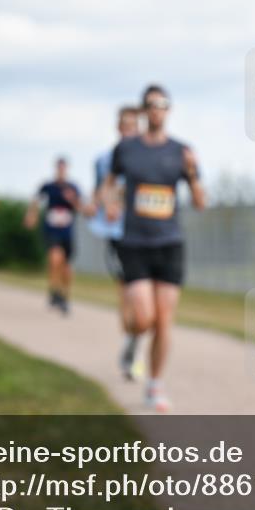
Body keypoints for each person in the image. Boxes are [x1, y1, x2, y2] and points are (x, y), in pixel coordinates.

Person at [100, 85, 205, 411]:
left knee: (164, 320)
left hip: (169, 242)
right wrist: (111, 203)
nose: (157, 109)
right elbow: (109, 184)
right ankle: (133, 336)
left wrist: (191, 173)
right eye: (151, 105)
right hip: (135, 243)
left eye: (162, 104)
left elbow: (201, 202)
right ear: (143, 111)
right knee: (144, 318)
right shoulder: (127, 149)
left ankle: (155, 385)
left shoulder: (182, 151)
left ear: (169, 110)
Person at [90, 106, 142, 376]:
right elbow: (99, 192)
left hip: (146, 234)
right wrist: (106, 202)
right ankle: (130, 341)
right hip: (118, 235)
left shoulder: (148, 158)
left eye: (135, 126)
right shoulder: (104, 160)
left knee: (145, 296)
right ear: (119, 129)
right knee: (127, 293)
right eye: (126, 126)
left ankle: (137, 339)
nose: (130, 131)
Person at [25, 157, 87, 315]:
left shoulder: (73, 187)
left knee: (66, 267)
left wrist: (72, 200)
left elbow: (82, 208)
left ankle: (64, 295)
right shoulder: (48, 186)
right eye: (58, 168)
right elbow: (36, 200)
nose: (61, 171)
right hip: (51, 230)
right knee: (54, 259)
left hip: (67, 231)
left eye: (63, 168)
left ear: (66, 169)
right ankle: (54, 291)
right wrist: (32, 215)